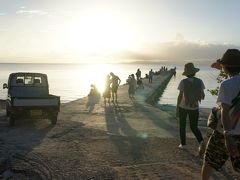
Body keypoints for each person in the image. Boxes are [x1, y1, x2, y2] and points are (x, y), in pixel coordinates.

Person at [201, 49, 240, 179]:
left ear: (225, 66)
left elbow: (225, 110)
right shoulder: (231, 82)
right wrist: (224, 67)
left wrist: (228, 136)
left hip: (224, 133)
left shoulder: (227, 84)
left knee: (209, 163)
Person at [176, 62, 205, 150]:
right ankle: (201, 142)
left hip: (183, 107)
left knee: (182, 126)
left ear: (186, 73)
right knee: (194, 127)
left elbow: (180, 96)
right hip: (194, 107)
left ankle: (183, 144)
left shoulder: (183, 82)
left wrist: (177, 108)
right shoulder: (199, 81)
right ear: (194, 72)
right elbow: (202, 95)